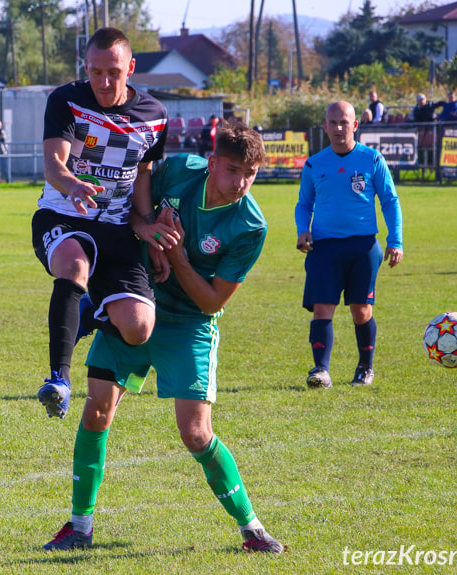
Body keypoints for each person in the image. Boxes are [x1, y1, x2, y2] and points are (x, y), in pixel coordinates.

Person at [42, 123, 286, 555]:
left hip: (190, 322)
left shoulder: (250, 225)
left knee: (195, 432)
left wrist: (175, 254)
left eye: (251, 173)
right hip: (139, 298)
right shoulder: (177, 172)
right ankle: (80, 527)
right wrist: (147, 227)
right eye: (232, 170)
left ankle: (252, 529)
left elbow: (212, 302)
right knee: (97, 410)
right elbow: (133, 208)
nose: (241, 183)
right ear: (211, 163)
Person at [31, 27, 170, 420]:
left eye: (113, 72)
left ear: (131, 67)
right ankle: (58, 378)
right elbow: (54, 165)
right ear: (85, 68)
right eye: (95, 72)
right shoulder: (67, 100)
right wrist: (73, 184)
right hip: (63, 215)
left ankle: (90, 306)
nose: (104, 82)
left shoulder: (155, 116)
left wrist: (144, 223)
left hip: (116, 227)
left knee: (139, 328)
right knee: (74, 266)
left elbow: (143, 173)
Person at [295, 101, 403, 388]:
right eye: (333, 122)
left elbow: (390, 201)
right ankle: (321, 371)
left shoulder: (372, 159)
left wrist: (396, 240)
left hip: (363, 247)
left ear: (355, 125)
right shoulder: (314, 163)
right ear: (326, 126)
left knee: (361, 310)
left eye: (344, 122)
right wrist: (302, 230)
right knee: (322, 308)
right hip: (324, 247)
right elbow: (304, 204)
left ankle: (365, 368)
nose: (339, 128)